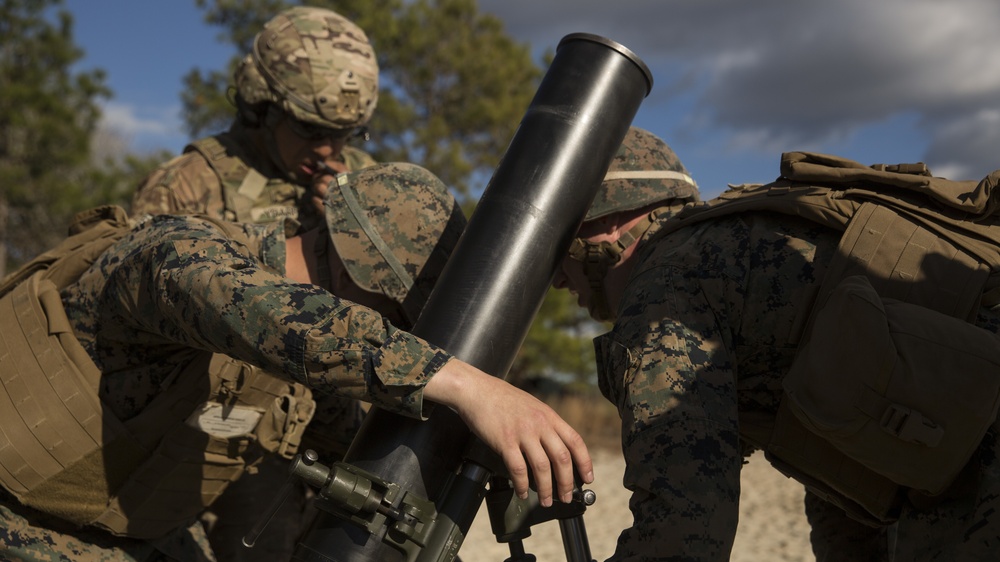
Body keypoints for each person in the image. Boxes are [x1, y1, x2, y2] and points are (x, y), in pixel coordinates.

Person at [0, 163, 593, 561]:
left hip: (126, 530)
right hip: (21, 512)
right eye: (399, 317)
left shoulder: (308, 374)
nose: (401, 336)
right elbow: (258, 311)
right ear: (355, 271)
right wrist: (468, 386)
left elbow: (358, 447)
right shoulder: (175, 252)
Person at [552, 127, 1000, 561]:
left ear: (607, 219)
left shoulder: (664, 288)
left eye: (558, 249)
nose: (555, 279)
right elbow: (837, 443)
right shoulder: (736, 240)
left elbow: (683, 533)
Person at [131, 5, 380, 231]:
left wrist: (362, 228)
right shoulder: (188, 185)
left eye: (342, 133)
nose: (326, 150)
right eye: (308, 128)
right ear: (261, 105)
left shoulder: (365, 179)